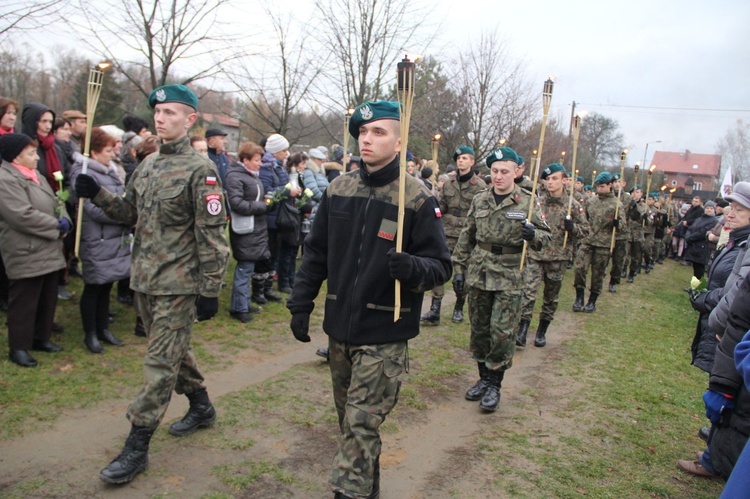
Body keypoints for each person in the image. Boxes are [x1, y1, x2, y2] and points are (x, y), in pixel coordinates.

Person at [286, 100, 452, 499]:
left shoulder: (416, 198)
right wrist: (301, 303)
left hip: (385, 332)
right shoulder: (339, 189)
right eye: (363, 132)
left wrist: (412, 267)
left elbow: (440, 266)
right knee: (351, 422)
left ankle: (349, 492)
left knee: (361, 424)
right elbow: (316, 254)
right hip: (341, 327)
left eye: (379, 132)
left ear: (398, 142)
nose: (367, 139)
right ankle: (367, 486)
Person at [74, 84, 230, 484]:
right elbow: (129, 211)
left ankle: (137, 445)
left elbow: (213, 236)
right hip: (143, 278)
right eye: (157, 112)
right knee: (172, 351)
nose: (161, 119)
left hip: (179, 284)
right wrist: (98, 195)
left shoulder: (202, 171)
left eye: (171, 113)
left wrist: (210, 289)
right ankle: (201, 405)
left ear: (190, 119)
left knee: (160, 363)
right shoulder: (147, 165)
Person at [452, 146, 551, 412]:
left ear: (516, 172)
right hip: (480, 271)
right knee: (480, 329)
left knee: (502, 331)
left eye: (504, 171)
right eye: (494, 171)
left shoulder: (528, 202)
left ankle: (495, 383)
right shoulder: (480, 199)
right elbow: (467, 235)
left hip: (510, 273)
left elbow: (546, 238)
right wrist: (458, 268)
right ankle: (483, 378)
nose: (498, 176)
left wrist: (534, 236)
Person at [0, 133, 70, 367]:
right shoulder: (5, 179)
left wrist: (65, 218)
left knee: (47, 295)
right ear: (16, 157)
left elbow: (56, 202)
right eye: (31, 153)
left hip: (48, 247)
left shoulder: (36, 175)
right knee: (25, 300)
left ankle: (42, 337)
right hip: (25, 249)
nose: (37, 157)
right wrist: (54, 225)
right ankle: (18, 347)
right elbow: (20, 215)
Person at [69, 127, 131, 353]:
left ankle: (103, 328)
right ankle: (90, 333)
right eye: (107, 150)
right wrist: (123, 216)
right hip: (97, 239)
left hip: (113, 238)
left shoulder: (109, 170)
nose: (112, 154)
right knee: (94, 286)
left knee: (107, 285)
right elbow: (91, 209)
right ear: (93, 153)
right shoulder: (84, 173)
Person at [517, 163, 588, 347]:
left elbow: (586, 231)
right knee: (528, 292)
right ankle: (522, 329)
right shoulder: (537, 202)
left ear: (564, 181)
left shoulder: (573, 205)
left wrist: (573, 229)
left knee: (551, 297)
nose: (550, 182)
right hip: (536, 254)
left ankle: (541, 331)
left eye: (555, 178)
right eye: (547, 179)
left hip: (558, 257)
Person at [422, 145, 485, 326]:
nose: (461, 161)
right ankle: (435, 308)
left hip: (465, 234)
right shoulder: (448, 184)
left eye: (465, 158)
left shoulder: (479, 186)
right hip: (446, 231)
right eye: (458, 158)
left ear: (472, 162)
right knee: (440, 267)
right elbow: (441, 207)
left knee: (461, 272)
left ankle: (459, 305)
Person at [689, 202, 750, 373]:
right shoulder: (736, 242)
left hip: (728, 332)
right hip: (717, 327)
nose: (729, 215)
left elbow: (737, 293)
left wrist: (705, 300)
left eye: (739, 210)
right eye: (730, 209)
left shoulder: (743, 247)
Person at [226, 141, 270, 323]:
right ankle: (238, 308)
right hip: (245, 229)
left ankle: (242, 302)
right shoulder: (235, 176)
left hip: (256, 228)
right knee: (244, 269)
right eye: (257, 160)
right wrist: (262, 206)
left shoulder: (253, 176)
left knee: (249, 268)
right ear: (245, 160)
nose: (260, 164)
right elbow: (236, 204)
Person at [256, 133, 297, 303]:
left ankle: (267, 288)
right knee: (267, 254)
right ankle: (260, 290)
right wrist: (288, 191)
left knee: (275, 254)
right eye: (283, 150)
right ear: (275, 151)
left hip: (279, 216)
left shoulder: (278, 167)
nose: (286, 153)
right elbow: (268, 191)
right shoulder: (266, 168)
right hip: (271, 217)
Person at [573, 172, 622, 313]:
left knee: (598, 274)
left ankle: (592, 301)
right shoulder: (591, 201)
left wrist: (617, 223)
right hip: (587, 241)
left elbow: (623, 227)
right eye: (598, 187)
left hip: (603, 244)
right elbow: (584, 220)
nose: (599, 189)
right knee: (580, 269)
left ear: (610, 185)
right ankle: (579, 297)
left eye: (602, 186)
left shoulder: (616, 205)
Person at [685, 201, 717, 280]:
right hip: (694, 246)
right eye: (707, 208)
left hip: (703, 247)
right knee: (695, 267)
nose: (709, 210)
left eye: (711, 208)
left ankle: (698, 288)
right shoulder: (699, 219)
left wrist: (690, 238)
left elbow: (702, 232)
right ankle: (694, 286)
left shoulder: (714, 221)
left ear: (714, 210)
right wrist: (687, 236)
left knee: (699, 269)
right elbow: (691, 228)